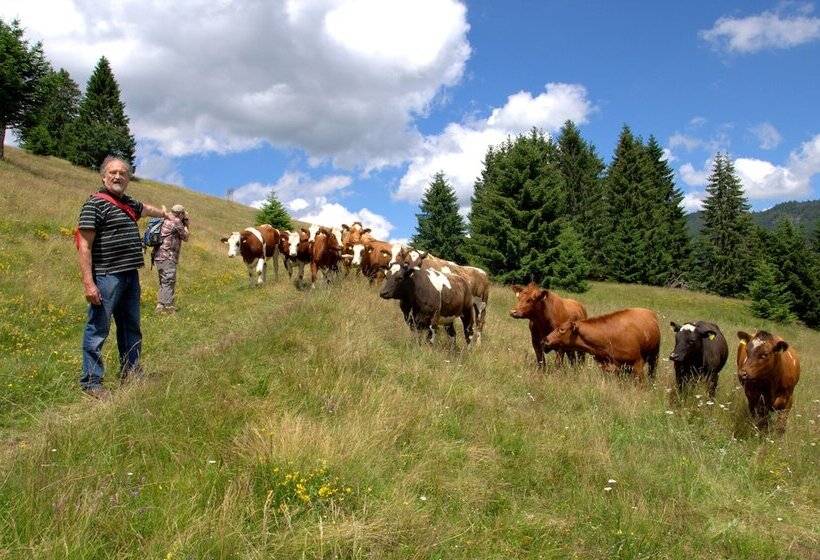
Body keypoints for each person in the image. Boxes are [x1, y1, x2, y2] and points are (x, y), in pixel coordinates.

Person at [76, 155, 175, 399]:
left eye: (123, 173)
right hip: (107, 276)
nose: (118, 176)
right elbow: (84, 246)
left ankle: (131, 372)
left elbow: (146, 209)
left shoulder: (129, 203)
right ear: (103, 176)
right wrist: (89, 283)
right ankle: (91, 382)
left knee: (131, 326)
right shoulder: (94, 205)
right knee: (98, 328)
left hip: (130, 275)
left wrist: (165, 214)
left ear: (128, 179)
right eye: (113, 172)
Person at [153, 204, 190, 313]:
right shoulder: (177, 221)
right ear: (180, 214)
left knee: (163, 281)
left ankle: (160, 306)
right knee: (169, 281)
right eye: (183, 214)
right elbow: (185, 237)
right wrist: (187, 225)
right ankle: (168, 308)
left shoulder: (165, 217)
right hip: (168, 256)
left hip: (158, 256)